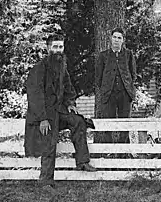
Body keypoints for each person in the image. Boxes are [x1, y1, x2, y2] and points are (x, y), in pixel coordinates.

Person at [24, 34, 97, 186]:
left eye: (61, 47)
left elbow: (69, 88)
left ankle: (82, 162)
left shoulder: (62, 68)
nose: (58, 50)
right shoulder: (39, 69)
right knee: (49, 143)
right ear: (48, 48)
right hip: (44, 115)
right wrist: (42, 119)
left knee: (78, 121)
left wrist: (70, 103)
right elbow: (35, 95)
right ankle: (45, 180)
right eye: (55, 47)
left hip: (59, 111)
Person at [95, 27, 137, 145]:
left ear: (123, 40)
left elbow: (133, 74)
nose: (116, 40)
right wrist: (106, 88)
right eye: (114, 37)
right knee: (108, 123)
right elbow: (98, 77)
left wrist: (127, 87)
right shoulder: (103, 56)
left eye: (119, 38)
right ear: (110, 39)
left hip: (125, 94)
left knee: (125, 124)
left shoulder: (128, 55)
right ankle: (108, 150)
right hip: (109, 94)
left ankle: (124, 151)